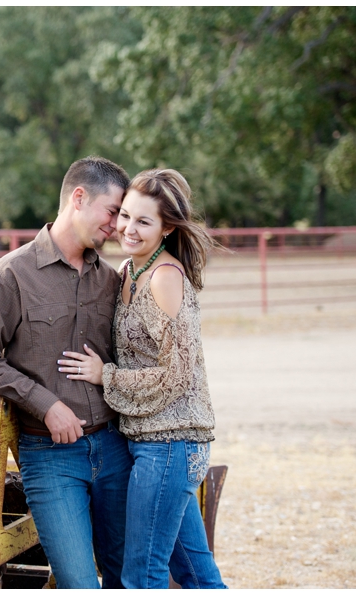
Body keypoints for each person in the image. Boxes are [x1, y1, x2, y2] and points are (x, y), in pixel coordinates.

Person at [0, 156, 133, 589]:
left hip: (113, 447)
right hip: (50, 457)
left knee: (127, 578)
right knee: (79, 583)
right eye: (112, 211)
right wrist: (46, 403)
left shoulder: (111, 281)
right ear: (79, 198)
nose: (116, 225)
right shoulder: (10, 275)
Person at [57, 168, 227, 589]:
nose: (128, 229)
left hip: (170, 443)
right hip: (150, 442)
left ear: (167, 228)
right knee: (194, 573)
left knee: (142, 575)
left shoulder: (164, 278)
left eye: (144, 221)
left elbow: (177, 375)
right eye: (125, 215)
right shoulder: (129, 271)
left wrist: (106, 376)